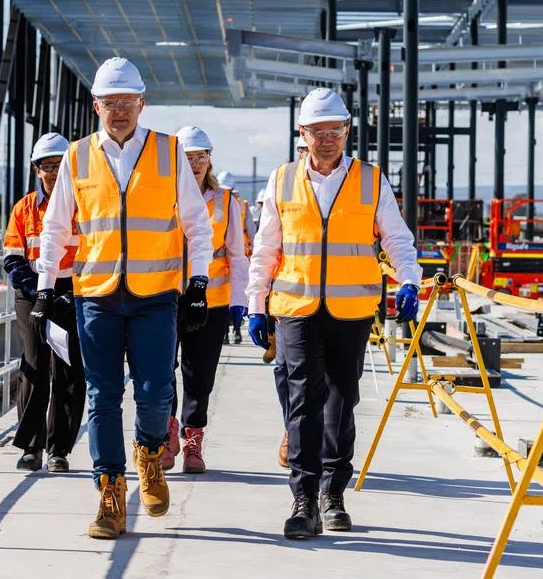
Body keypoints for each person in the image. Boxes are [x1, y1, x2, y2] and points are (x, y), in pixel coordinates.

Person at [32, 57, 214, 540]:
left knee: (156, 393)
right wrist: (46, 288)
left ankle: (150, 454)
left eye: (128, 103)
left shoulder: (168, 152)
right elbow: (55, 228)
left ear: (142, 104)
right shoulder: (76, 156)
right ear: (96, 106)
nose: (119, 111)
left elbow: (196, 223)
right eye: (110, 103)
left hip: (155, 295)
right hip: (97, 294)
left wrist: (198, 284)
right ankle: (110, 491)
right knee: (103, 396)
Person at [247, 88, 422, 539]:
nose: (327, 139)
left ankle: (333, 494)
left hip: (351, 308)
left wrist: (409, 279)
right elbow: (267, 247)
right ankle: (303, 500)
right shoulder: (282, 180)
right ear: (301, 134)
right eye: (318, 132)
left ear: (347, 131)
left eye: (335, 131)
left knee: (343, 401)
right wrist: (255, 304)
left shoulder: (370, 179)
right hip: (296, 307)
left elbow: (396, 237)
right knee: (303, 400)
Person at [161, 126, 249, 473]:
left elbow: (237, 255)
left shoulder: (226, 202)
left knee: (200, 375)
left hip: (211, 303)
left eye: (201, 156)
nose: (195, 163)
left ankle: (192, 439)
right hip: (166, 297)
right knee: (162, 370)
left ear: (210, 159)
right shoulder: (163, 196)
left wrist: (241, 300)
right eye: (188, 157)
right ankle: (166, 434)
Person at [2, 133, 86, 473]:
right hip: (32, 292)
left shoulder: (85, 206)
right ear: (37, 170)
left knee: (70, 370)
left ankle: (59, 449)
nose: (52, 171)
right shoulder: (24, 208)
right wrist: (38, 291)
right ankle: (30, 446)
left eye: (59, 164)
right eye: (46, 166)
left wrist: (71, 293)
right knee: (35, 366)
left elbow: (96, 254)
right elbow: (12, 257)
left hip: (72, 293)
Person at [217, 170, 254, 341]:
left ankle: (236, 329)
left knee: (237, 297)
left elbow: (252, 233)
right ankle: (224, 332)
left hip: (239, 259)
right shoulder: (216, 201)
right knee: (224, 299)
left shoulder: (241, 206)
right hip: (220, 261)